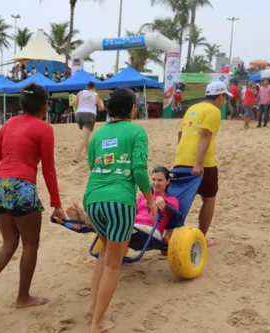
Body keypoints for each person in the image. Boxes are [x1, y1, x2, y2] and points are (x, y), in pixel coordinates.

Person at [0, 83, 67, 314]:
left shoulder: (8, 124)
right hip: (22, 186)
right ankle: (23, 297)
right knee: (30, 245)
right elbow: (48, 170)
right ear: (45, 106)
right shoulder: (44, 129)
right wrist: (57, 203)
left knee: (8, 243)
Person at [80, 87, 157, 333]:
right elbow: (139, 169)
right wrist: (150, 199)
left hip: (92, 199)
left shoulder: (98, 135)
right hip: (120, 201)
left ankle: (93, 306)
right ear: (133, 109)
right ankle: (98, 323)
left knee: (104, 253)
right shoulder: (137, 131)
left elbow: (94, 166)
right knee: (114, 263)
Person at [173, 81, 229, 246]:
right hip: (203, 163)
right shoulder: (214, 111)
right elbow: (205, 135)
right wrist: (198, 164)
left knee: (177, 200)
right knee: (209, 199)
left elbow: (180, 133)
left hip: (181, 159)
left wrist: (181, 155)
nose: (225, 101)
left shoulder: (192, 108)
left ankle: (168, 235)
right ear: (220, 96)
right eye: (225, 97)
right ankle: (201, 237)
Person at [58, 166, 179, 242]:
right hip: (133, 226)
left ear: (167, 182)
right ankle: (86, 222)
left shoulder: (172, 199)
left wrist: (162, 200)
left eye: (160, 180)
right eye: (153, 179)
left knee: (115, 227)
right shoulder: (143, 197)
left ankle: (88, 222)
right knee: (115, 221)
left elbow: (176, 211)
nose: (156, 183)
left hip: (150, 232)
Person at [70, 81, 105, 163]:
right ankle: (88, 156)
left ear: (87, 87)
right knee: (86, 137)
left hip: (79, 115)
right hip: (89, 115)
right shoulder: (95, 94)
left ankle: (77, 156)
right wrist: (102, 102)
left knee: (86, 137)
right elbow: (101, 107)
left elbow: (72, 104)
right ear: (93, 87)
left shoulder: (81, 92)